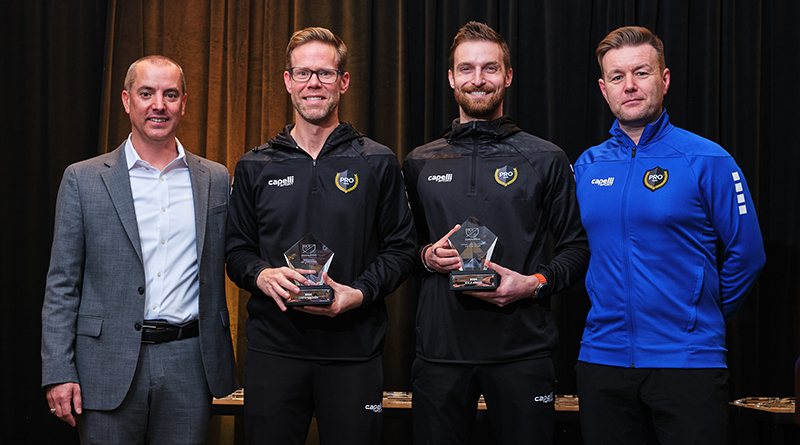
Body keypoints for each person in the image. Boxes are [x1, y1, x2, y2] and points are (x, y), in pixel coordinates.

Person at [573, 26, 767, 444]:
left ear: (664, 80)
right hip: (602, 361)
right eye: (618, 77)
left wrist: (695, 316)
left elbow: (747, 255)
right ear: (604, 89)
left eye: (641, 73)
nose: (630, 86)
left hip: (688, 364)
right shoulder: (587, 166)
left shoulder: (707, 159)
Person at [225, 27, 416, 445]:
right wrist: (261, 275)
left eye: (326, 74)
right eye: (304, 73)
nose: (314, 83)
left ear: (343, 82)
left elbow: (402, 249)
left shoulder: (377, 161)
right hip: (273, 351)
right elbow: (236, 250)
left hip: (354, 351)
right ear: (288, 81)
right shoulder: (255, 165)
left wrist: (361, 293)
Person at [402, 21, 590, 444]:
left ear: (507, 76)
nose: (478, 79)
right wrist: (427, 256)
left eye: (490, 68)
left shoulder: (546, 158)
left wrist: (534, 284)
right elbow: (400, 251)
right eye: (466, 69)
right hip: (440, 354)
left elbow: (576, 248)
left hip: (522, 352)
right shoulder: (419, 161)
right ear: (451, 78)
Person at [41, 55, 238, 444]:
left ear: (184, 103)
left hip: (190, 362)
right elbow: (62, 283)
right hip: (105, 364)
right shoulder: (83, 179)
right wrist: (58, 370)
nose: (158, 105)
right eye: (146, 93)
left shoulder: (215, 178)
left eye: (170, 94)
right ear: (127, 100)